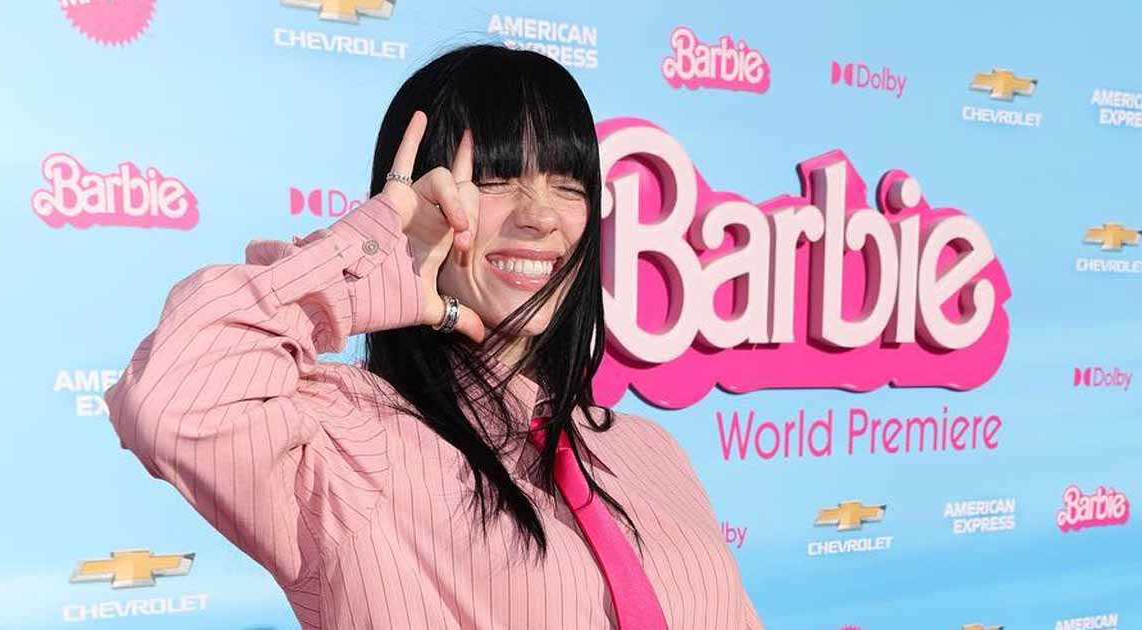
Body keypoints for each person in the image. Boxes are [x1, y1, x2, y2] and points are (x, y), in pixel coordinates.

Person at [104, 43, 763, 629]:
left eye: (567, 185)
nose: (541, 217)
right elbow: (171, 401)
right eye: (496, 179)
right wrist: (367, 264)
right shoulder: (342, 439)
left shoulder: (646, 448)